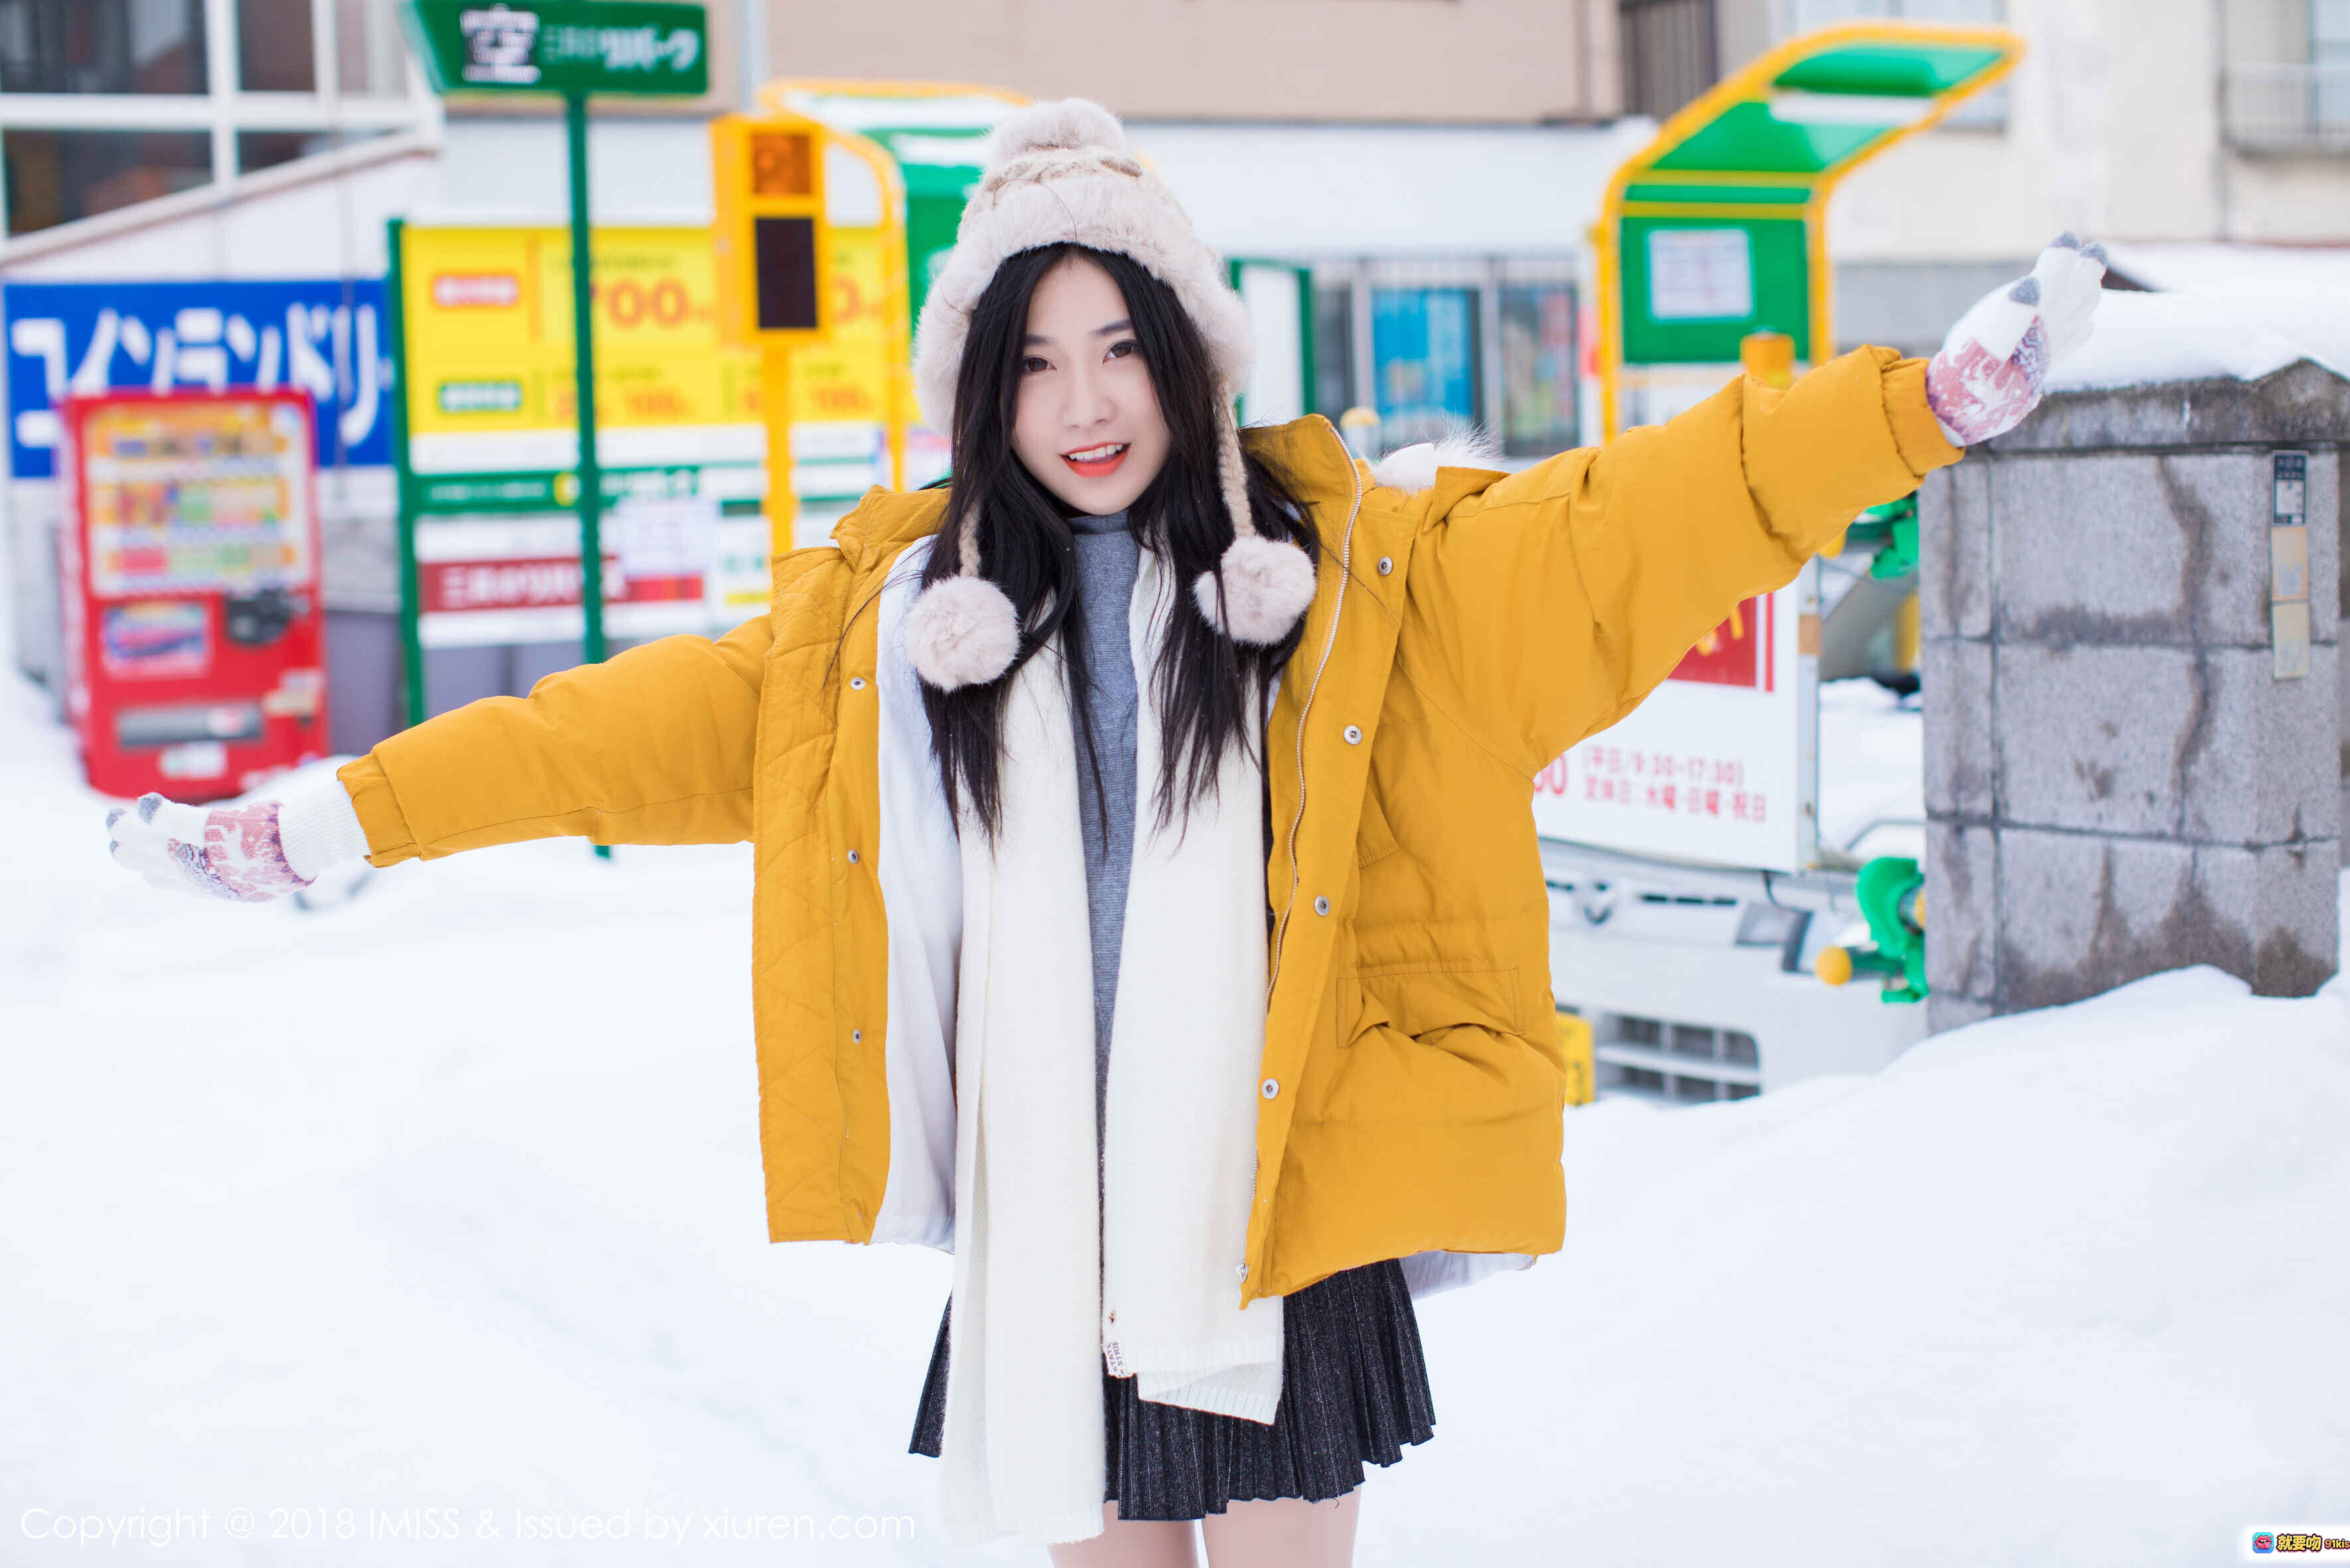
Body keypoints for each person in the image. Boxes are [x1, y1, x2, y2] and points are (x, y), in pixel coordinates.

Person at [105, 98, 2102, 1568]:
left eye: (1118, 347)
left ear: (1188, 354)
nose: (1082, 400)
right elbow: (598, 737)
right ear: (981, 384)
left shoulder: (1353, 585)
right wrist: (343, 812)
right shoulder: (894, 643)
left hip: (1281, 1180)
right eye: (1034, 356)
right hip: (1059, 1208)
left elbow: (1632, 518)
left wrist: (1909, 409)